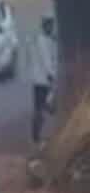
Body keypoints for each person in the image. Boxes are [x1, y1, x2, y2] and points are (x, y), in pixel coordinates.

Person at [34, 14, 59, 143]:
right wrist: (52, 76)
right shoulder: (42, 41)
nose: (52, 27)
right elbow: (47, 61)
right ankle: (36, 137)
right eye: (50, 25)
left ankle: (37, 135)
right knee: (42, 109)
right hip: (43, 80)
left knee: (44, 107)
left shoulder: (47, 40)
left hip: (42, 80)